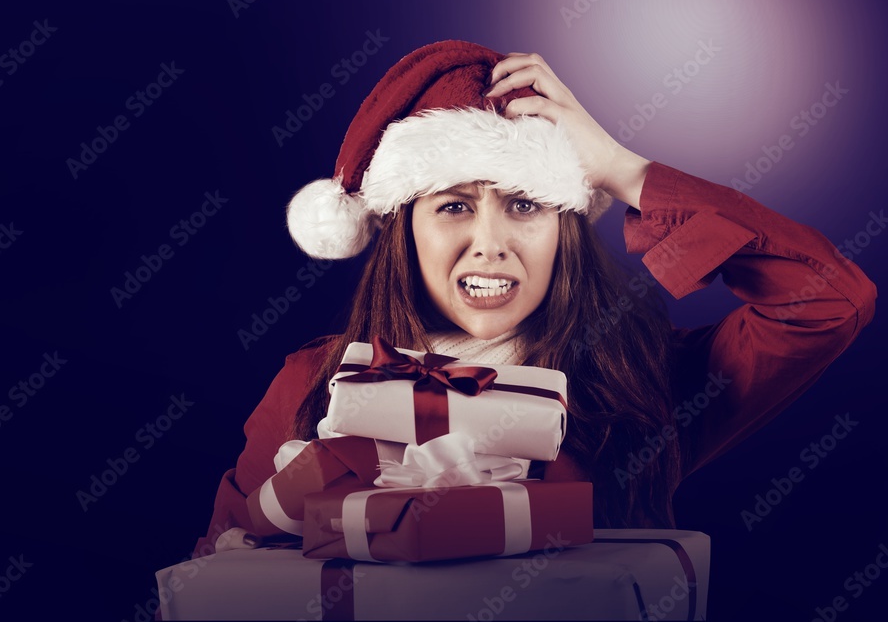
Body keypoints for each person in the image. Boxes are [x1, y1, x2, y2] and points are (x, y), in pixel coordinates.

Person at [189, 40, 876, 558]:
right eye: (454, 205)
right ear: (403, 230)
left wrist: (621, 168)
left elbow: (828, 300)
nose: (491, 243)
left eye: (524, 203)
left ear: (564, 227)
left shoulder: (639, 383)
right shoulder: (311, 383)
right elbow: (212, 579)